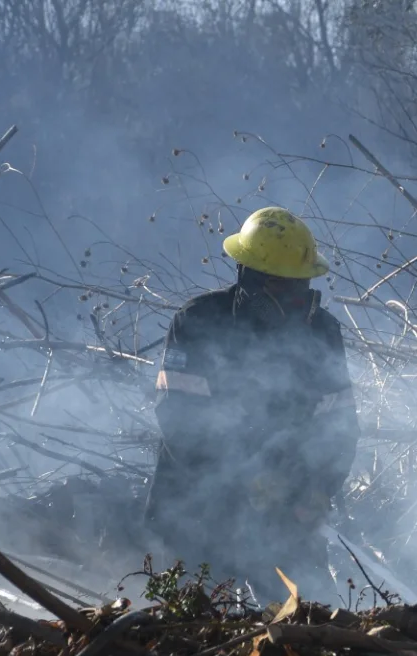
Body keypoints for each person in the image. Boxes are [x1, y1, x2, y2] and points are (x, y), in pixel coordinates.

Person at [144, 207, 358, 600]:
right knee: (193, 636)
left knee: (308, 625)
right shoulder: (200, 322)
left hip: (287, 519)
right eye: (288, 289)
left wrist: (317, 490)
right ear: (252, 280)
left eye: (303, 286)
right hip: (198, 513)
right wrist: (243, 481)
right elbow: (179, 419)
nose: (299, 300)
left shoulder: (323, 332)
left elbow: (339, 425)